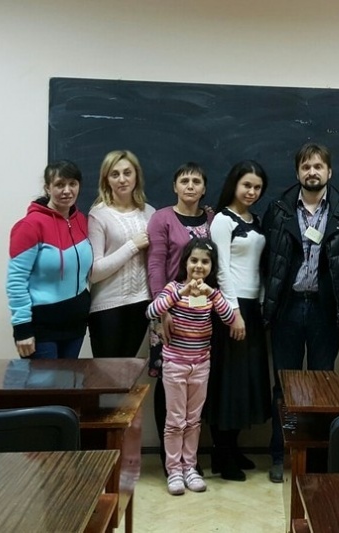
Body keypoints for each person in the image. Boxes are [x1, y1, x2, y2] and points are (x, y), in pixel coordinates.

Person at [261, 143, 339, 483]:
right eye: (306, 166)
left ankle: (315, 456)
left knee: (322, 385)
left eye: (318, 166)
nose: (312, 172)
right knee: (284, 387)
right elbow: (267, 263)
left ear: (329, 171)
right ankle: (282, 452)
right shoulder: (279, 210)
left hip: (323, 309)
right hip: (286, 309)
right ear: (297, 172)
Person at [146, 238, 235, 495]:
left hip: (201, 365)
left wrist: (212, 294)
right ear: (185, 262)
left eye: (205, 262)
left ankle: (190, 468)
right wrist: (181, 293)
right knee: (175, 421)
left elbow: (229, 317)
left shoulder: (211, 293)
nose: (199, 266)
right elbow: (151, 311)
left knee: (194, 421)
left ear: (212, 266)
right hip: (175, 364)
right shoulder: (173, 288)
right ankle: (174, 470)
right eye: (194, 260)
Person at [146, 162, 213, 474]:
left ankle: (191, 461)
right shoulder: (162, 218)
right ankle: (169, 462)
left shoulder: (212, 218)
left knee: (197, 385)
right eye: (184, 180)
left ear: (204, 188)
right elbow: (156, 264)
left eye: (196, 181)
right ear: (175, 186)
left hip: (201, 316)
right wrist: (163, 311)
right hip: (170, 310)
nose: (190, 186)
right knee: (168, 384)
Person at [205, 160, 270, 481]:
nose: (252, 192)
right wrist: (233, 312)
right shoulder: (222, 220)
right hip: (231, 309)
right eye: (247, 185)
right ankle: (222, 453)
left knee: (245, 381)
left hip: (253, 308)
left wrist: (260, 304)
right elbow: (221, 269)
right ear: (234, 184)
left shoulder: (255, 220)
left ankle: (232, 448)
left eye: (257, 187)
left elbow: (259, 267)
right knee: (228, 381)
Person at [7, 160, 93, 359]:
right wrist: (22, 328)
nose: (67, 190)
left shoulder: (81, 220)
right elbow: (16, 281)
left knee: (69, 379)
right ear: (47, 188)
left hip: (75, 325)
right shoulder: (29, 226)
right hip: (42, 327)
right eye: (59, 184)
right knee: (45, 380)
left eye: (72, 184)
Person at [88, 150, 156, 358]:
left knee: (128, 370)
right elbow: (94, 272)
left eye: (127, 173)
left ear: (136, 176)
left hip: (141, 303)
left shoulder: (150, 213)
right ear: (106, 179)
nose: (122, 179)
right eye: (115, 174)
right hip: (107, 307)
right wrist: (132, 246)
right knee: (105, 371)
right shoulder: (98, 215)